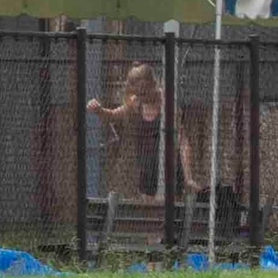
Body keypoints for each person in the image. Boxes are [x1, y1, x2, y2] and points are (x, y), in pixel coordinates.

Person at [86, 62, 200, 200]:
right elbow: (113, 115)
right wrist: (99, 110)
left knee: (168, 209)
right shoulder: (136, 102)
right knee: (149, 211)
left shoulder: (167, 104)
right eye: (138, 94)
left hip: (169, 169)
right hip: (146, 173)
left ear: (152, 84)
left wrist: (188, 178)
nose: (142, 97)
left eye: (144, 93)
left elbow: (183, 142)